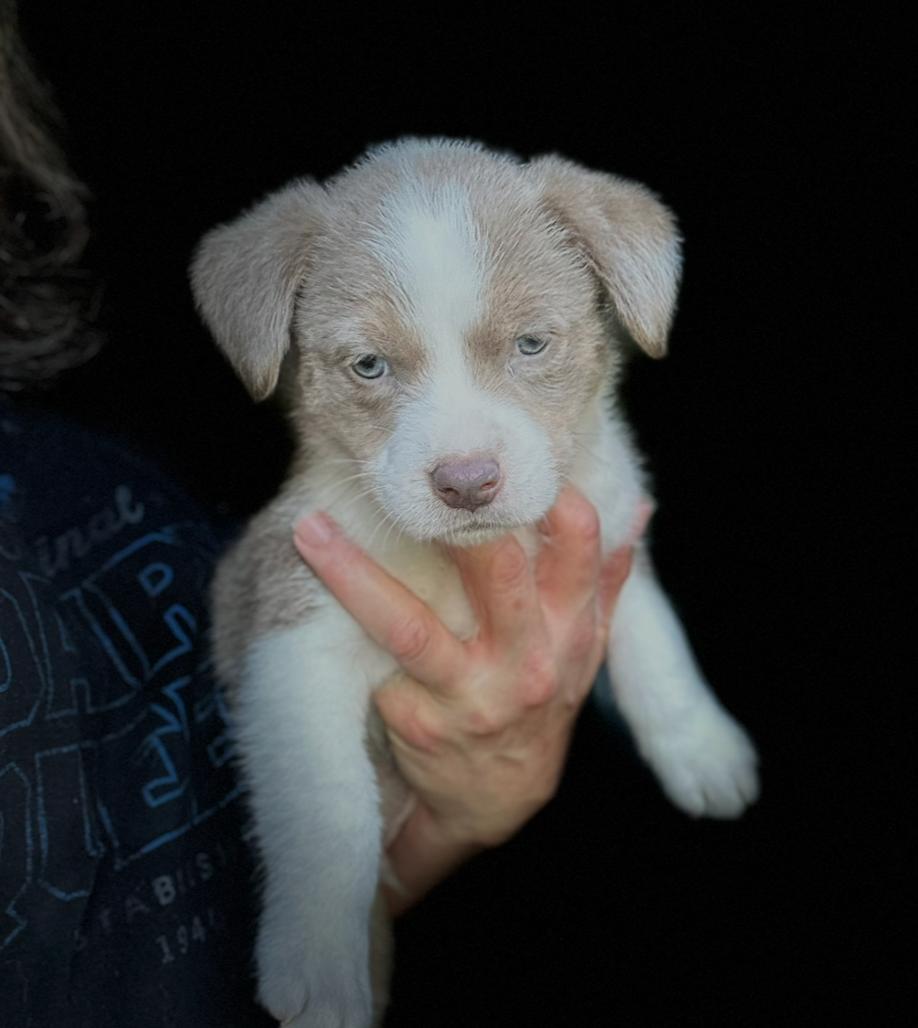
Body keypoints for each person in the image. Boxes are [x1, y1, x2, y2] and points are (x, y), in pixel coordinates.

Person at [0, 6, 641, 1022]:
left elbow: (215, 910)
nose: (462, 454)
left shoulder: (121, 510)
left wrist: (454, 809)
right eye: (373, 362)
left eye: (520, 345)